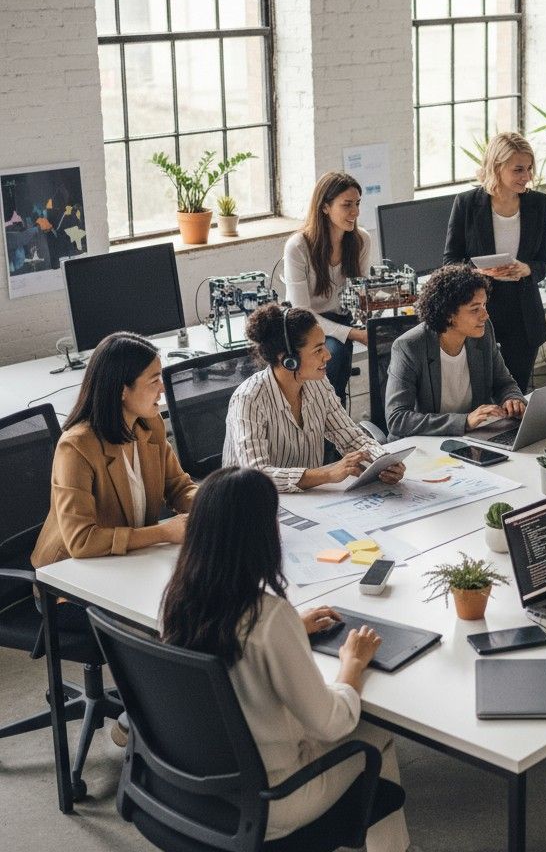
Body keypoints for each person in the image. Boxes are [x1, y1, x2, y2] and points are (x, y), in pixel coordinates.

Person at [160, 466, 412, 849]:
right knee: (377, 733)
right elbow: (331, 724)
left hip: (204, 789)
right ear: (260, 535)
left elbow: (237, 647)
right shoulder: (268, 617)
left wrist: (290, 627)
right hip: (275, 800)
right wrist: (352, 665)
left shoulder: (178, 601)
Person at [32, 331, 195, 574]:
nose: (162, 388)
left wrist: (213, 506)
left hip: (128, 562)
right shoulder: (76, 447)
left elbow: (178, 487)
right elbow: (81, 540)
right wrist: (163, 532)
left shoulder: (149, 424)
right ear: (122, 390)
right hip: (70, 573)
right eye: (154, 381)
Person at [222, 304, 406, 492]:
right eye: (318, 350)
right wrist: (327, 474)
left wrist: (384, 461)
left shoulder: (318, 384)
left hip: (307, 499)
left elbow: (351, 438)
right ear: (288, 359)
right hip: (251, 502)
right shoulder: (249, 399)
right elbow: (256, 475)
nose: (328, 355)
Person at [444, 131, 546, 391]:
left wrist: (527, 269)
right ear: (496, 167)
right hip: (480, 310)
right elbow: (450, 261)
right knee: (481, 393)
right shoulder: (467, 203)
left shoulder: (538, 203)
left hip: (523, 314)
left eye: (529, 168)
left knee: (516, 392)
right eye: (518, 170)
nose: (527, 176)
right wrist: (480, 272)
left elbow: (544, 261)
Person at [385, 263, 525, 438]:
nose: (485, 315)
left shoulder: (483, 332)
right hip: (425, 442)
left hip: (473, 437)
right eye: (475, 309)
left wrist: (512, 398)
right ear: (448, 314)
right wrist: (464, 422)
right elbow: (397, 419)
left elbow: (504, 383)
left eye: (484, 305)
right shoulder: (409, 347)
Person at [283, 172, 371, 405]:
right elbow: (302, 312)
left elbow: (360, 294)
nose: (355, 212)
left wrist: (367, 324)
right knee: (332, 355)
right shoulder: (298, 247)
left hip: (344, 318)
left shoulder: (361, 240)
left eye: (357, 203)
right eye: (347, 205)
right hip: (307, 323)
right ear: (325, 207)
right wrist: (354, 334)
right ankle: (326, 415)